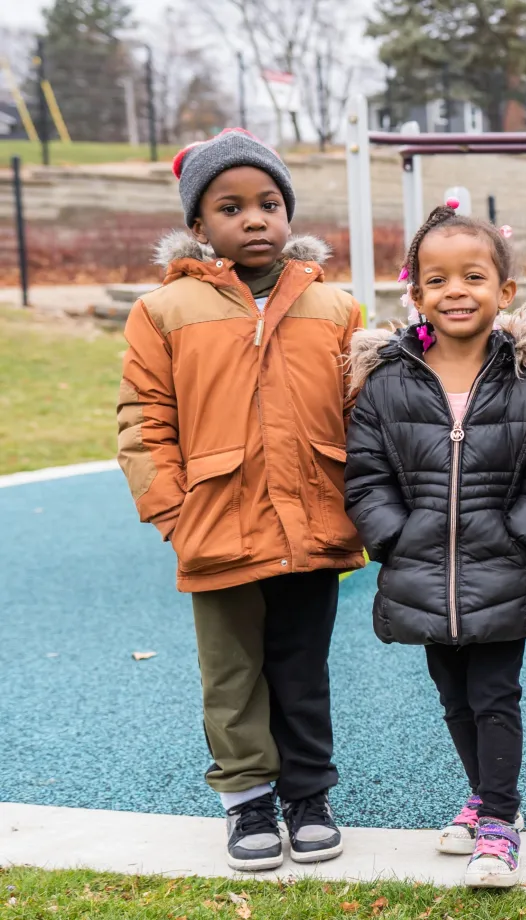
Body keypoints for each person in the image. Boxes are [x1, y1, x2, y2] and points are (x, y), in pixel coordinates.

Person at [117, 128, 362, 871]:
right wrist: (173, 511)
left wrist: (364, 500)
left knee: (301, 667)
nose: (254, 219)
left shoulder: (334, 306)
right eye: (230, 206)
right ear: (198, 224)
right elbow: (143, 419)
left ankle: (308, 793)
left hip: (313, 519)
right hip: (216, 526)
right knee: (231, 674)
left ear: (288, 213)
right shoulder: (164, 312)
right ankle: (247, 800)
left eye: (269, 203)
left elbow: (364, 411)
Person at [343, 204, 526, 887]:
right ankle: (482, 796)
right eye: (437, 279)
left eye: (473, 276)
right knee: (453, 695)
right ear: (414, 294)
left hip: (502, 566)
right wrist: (391, 536)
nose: (455, 291)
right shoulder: (389, 381)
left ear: (504, 291)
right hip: (422, 571)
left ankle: (500, 821)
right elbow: (366, 473)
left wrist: (523, 536)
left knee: (496, 693)